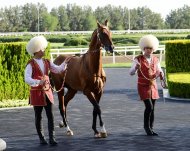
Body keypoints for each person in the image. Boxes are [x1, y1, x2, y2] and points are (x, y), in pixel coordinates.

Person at [24, 35, 68, 145]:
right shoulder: (30, 64)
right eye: (42, 48)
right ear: (37, 50)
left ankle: (52, 138)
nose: (44, 50)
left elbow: (58, 70)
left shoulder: (47, 61)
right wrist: (38, 82)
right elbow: (27, 79)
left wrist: (65, 63)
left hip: (47, 92)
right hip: (37, 93)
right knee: (38, 117)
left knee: (50, 116)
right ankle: (41, 138)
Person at [129, 34, 164, 136]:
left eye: (151, 48)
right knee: (149, 107)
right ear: (143, 48)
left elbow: (159, 70)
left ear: (153, 49)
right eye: (147, 48)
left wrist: (161, 73)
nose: (149, 50)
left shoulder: (156, 59)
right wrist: (135, 68)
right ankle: (146, 127)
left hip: (153, 85)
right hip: (142, 85)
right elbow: (131, 73)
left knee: (153, 107)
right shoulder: (137, 59)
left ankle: (151, 127)